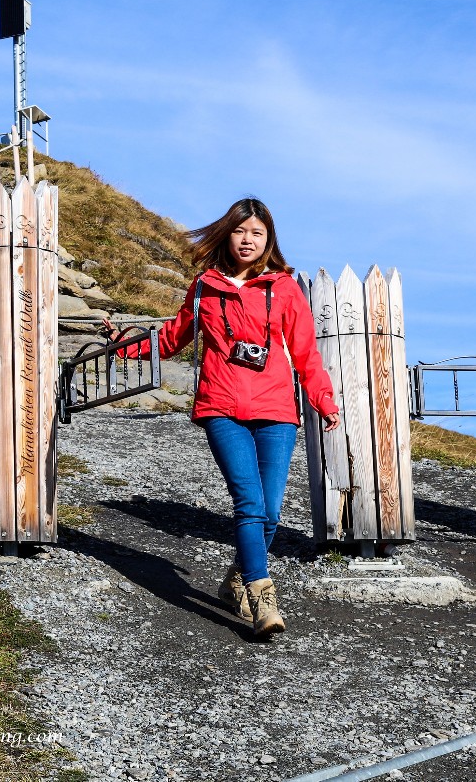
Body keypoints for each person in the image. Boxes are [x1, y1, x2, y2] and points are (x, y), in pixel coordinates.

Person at [107, 196, 339, 637]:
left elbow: (306, 354)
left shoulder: (285, 288)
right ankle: (261, 594)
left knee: (270, 513)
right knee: (249, 504)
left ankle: (237, 578)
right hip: (222, 406)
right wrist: (125, 345)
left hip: (276, 411)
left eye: (257, 233)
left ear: (269, 239)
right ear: (227, 234)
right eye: (240, 231)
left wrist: (322, 400)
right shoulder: (205, 287)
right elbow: (171, 339)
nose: (248, 240)